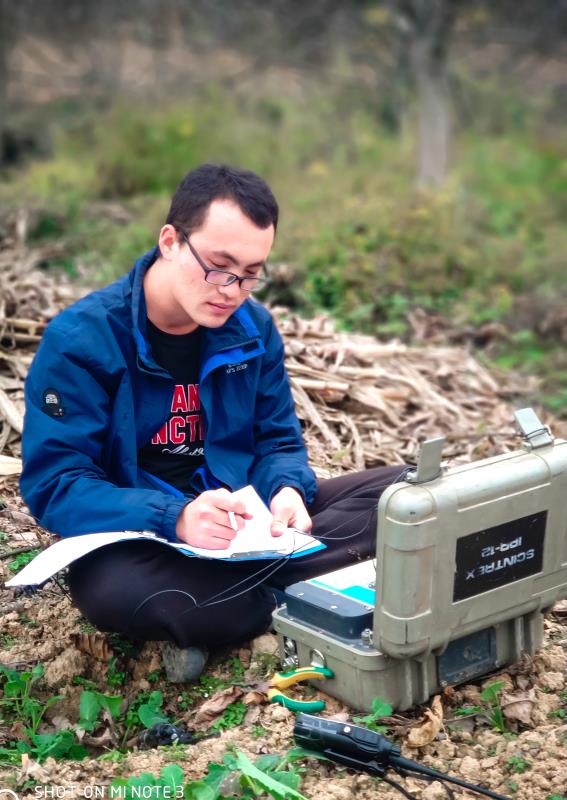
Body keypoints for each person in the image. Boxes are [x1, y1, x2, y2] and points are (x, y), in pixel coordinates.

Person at [20, 164, 406, 681]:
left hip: (248, 524)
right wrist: (176, 517)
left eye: (251, 273)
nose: (232, 290)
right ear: (170, 242)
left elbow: (277, 440)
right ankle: (312, 591)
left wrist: (287, 490)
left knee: (403, 492)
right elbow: (57, 485)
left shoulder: (253, 328)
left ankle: (245, 603)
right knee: (114, 592)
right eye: (220, 267)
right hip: (145, 537)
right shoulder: (81, 341)